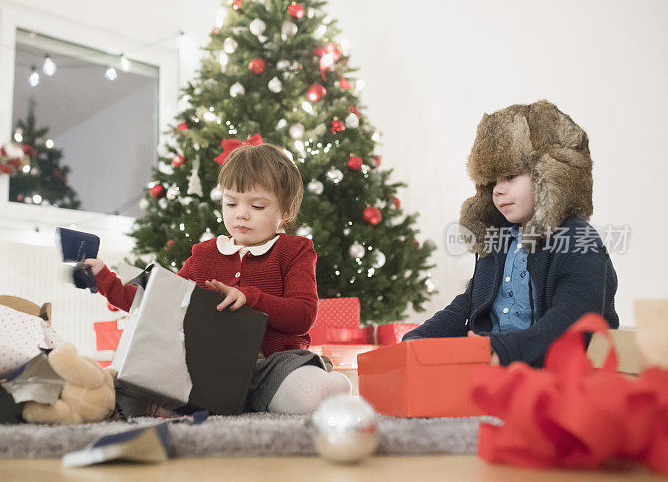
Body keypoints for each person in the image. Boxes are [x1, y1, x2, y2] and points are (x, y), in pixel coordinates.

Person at [85, 142, 350, 413]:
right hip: (207, 372)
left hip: (274, 366)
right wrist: (104, 279)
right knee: (130, 389)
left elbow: (302, 315)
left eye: (257, 206)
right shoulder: (204, 256)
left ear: (285, 213)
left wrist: (251, 297)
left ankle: (303, 392)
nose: (241, 213)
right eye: (231, 203)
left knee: (318, 393)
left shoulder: (295, 251)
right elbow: (156, 303)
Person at [403, 100, 619, 367]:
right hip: (494, 367)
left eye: (510, 177)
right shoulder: (499, 240)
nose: (498, 190)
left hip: (555, 375)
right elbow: (472, 302)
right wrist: (421, 338)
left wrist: (505, 349)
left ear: (548, 175)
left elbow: (571, 319)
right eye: (493, 182)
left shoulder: (577, 241)